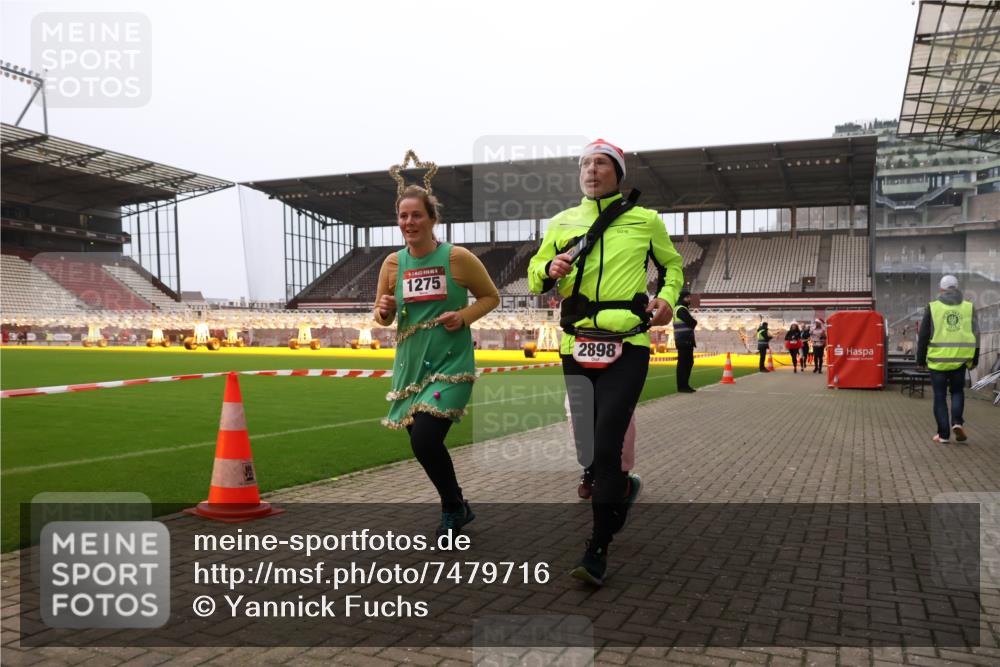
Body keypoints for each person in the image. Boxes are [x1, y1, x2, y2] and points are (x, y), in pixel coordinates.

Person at [528, 138, 683, 586]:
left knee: (608, 440)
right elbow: (535, 273)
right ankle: (621, 489)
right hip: (575, 345)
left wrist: (668, 300)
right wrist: (548, 270)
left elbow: (673, 269)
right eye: (585, 164)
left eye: (601, 163)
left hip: (628, 344)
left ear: (617, 172)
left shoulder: (645, 220)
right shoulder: (561, 222)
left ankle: (597, 547)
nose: (591, 170)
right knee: (589, 449)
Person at [374, 183, 500, 535]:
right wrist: (383, 310)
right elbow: (384, 314)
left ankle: (451, 506)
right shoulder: (392, 263)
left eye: (417, 215)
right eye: (403, 216)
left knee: (425, 440)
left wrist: (464, 317)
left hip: (450, 363)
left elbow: (491, 296)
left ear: (432, 219)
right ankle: (457, 505)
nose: (409, 222)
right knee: (423, 442)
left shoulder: (457, 258)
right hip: (410, 366)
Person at [916, 275, 979, 444]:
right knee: (957, 392)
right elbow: (976, 334)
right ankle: (957, 422)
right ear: (957, 288)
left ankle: (943, 435)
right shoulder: (968, 307)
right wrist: (975, 360)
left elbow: (923, 335)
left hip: (938, 362)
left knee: (939, 396)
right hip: (960, 360)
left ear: (941, 289)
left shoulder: (933, 307)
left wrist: (920, 359)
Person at [673, 287, 698, 392]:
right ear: (683, 298)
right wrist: (694, 321)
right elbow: (691, 322)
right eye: (688, 297)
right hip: (684, 340)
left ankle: (684, 385)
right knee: (684, 364)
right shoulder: (681, 309)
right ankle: (683, 386)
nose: (690, 299)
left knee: (687, 363)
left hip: (684, 340)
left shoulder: (682, 309)